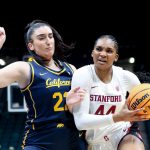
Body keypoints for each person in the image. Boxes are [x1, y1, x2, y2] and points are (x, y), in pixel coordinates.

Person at [0, 20, 86, 150]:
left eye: (50, 36)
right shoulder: (26, 68)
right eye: (41, 38)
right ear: (31, 46)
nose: (48, 41)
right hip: (39, 143)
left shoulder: (71, 69)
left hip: (72, 142)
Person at [69, 35, 150, 150]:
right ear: (92, 53)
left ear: (116, 57)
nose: (102, 54)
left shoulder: (126, 77)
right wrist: (117, 117)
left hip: (123, 131)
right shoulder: (82, 75)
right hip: (94, 140)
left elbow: (145, 98)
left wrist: (142, 112)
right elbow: (81, 122)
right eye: (99, 49)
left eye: (109, 51)